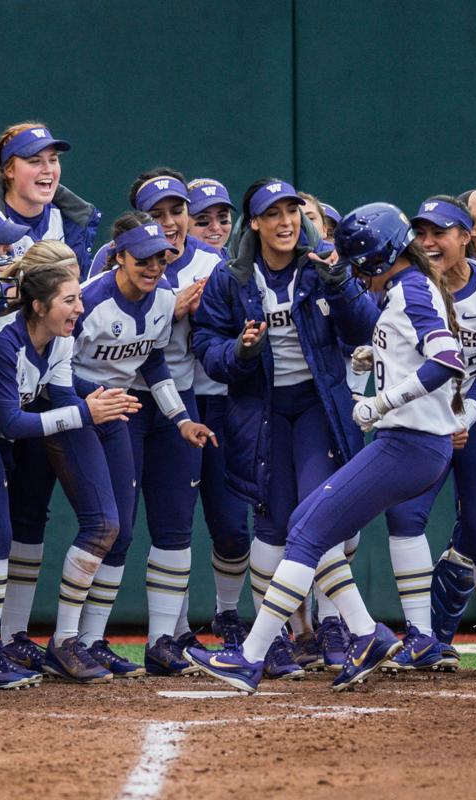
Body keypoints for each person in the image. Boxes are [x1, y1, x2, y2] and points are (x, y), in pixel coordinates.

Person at [186, 202, 466, 693]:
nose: (356, 275)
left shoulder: (411, 291)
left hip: (409, 444)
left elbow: (447, 358)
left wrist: (381, 403)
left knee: (307, 530)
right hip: (412, 443)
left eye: (359, 266)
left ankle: (250, 658)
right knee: (305, 525)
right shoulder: (407, 288)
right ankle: (365, 634)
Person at [191, 179, 377, 678]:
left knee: (319, 512)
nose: (285, 222)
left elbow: (365, 329)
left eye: (292, 211)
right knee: (271, 525)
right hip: (261, 412)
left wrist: (339, 280)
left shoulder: (322, 267)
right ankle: (276, 642)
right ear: (254, 223)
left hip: (319, 406)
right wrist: (241, 352)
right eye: (272, 214)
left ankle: (345, 627)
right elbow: (207, 346)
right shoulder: (231, 277)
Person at [0, 241, 140, 683]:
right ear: (40, 305)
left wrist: (93, 402)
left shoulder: (59, 339)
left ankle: (61, 642)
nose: (80, 309)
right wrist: (87, 411)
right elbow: (8, 422)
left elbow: (60, 395)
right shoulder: (2, 337)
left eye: (80, 298)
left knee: (106, 524)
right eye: (70, 300)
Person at [63, 212, 214, 676]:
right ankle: (69, 641)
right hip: (79, 413)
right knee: (108, 527)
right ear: (119, 257)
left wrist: (181, 419)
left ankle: (92, 641)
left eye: (162, 258)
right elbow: (56, 365)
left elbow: (153, 364)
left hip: (118, 412)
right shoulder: (90, 300)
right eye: (144, 259)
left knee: (122, 532)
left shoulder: (163, 300)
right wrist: (93, 396)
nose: (155, 267)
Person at [385, 196, 476, 677]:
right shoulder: (407, 288)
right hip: (422, 415)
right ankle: (421, 638)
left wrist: (461, 420)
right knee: (404, 516)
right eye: (421, 233)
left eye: (440, 232)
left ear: (467, 236)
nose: (428, 242)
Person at [0, 121, 101, 273]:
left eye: (53, 160)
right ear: (9, 170)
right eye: (35, 161)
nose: (48, 169)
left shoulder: (73, 218)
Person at [188, 178, 235, 256]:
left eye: (222, 216)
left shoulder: (239, 263)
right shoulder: (164, 266)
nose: (215, 227)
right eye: (203, 218)